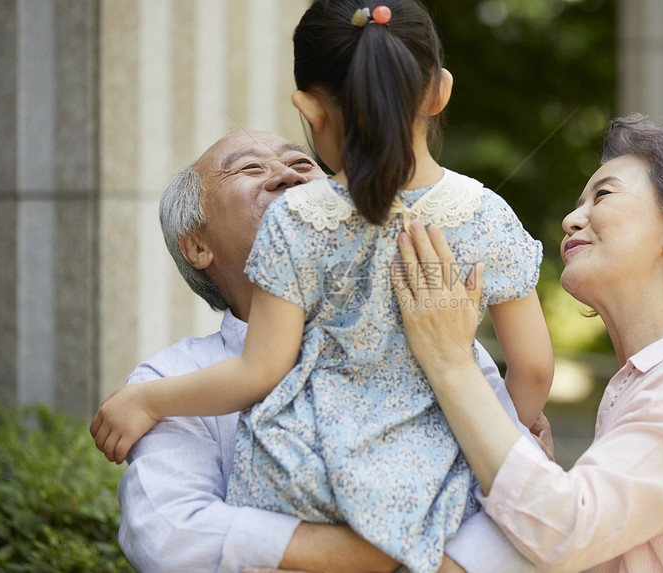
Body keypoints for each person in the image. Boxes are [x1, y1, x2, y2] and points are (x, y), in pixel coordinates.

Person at [92, 1, 553, 571]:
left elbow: (260, 371)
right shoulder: (485, 218)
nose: (287, 175)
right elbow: (170, 538)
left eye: (296, 162)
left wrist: (510, 449)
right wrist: (498, 459)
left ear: (311, 111)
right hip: (439, 503)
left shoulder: (439, 329)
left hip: (293, 486)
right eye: (249, 170)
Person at [391, 113, 663, 571]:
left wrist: (450, 361)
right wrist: (542, 480)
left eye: (603, 194)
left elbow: (564, 531)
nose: (571, 220)